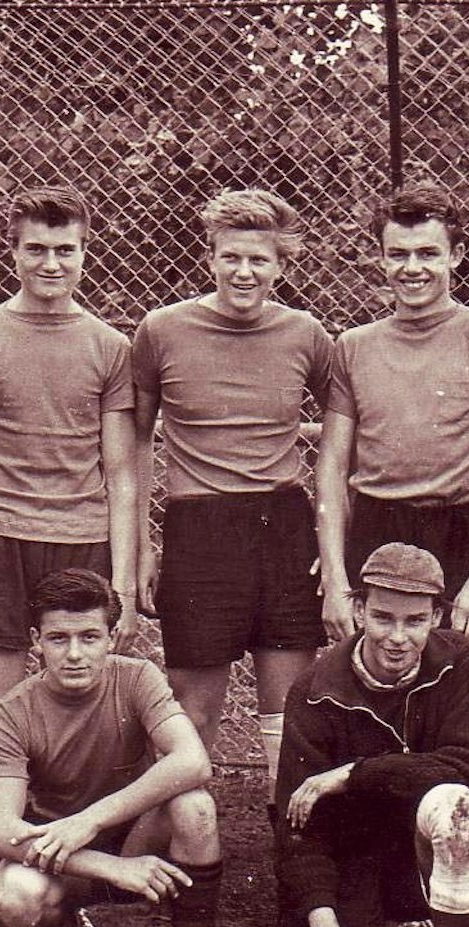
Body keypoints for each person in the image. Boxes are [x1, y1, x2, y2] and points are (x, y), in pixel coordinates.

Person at [313, 182, 469, 927]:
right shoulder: (353, 345)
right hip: (377, 528)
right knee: (372, 733)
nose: (412, 268)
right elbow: (331, 465)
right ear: (379, 259)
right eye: (398, 254)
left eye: (427, 254)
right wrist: (335, 574)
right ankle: (388, 910)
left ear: (455, 256)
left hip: (459, 530)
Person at [0, 186, 139, 927]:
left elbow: (123, 470)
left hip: (79, 541)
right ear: (13, 252)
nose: (50, 263)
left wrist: (121, 575)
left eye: (65, 249)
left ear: (85, 252)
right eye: (35, 249)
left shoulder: (108, 346)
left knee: (77, 735)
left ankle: (67, 898)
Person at [132, 188, 335, 819]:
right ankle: (176, 876)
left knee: (289, 718)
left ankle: (298, 878)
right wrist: (142, 543)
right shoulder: (161, 331)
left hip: (283, 528)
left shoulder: (306, 334)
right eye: (230, 257)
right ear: (212, 258)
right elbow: (134, 443)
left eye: (259, 260)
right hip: (199, 532)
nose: (243, 272)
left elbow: (345, 432)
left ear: (281, 265)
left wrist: (332, 550)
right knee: (192, 714)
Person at [0, 568, 225, 927]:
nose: (74, 653)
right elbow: (0, 831)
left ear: (112, 638)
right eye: (59, 638)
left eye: (90, 637)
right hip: (66, 856)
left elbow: (194, 761)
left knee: (194, 806)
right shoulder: (12, 711)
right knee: (18, 898)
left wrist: (90, 822)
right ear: (36, 642)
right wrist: (108, 866)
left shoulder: (138, 678)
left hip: (134, 839)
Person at [276, 542, 469, 927]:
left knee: (457, 805)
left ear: (437, 616)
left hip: (419, 840)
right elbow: (299, 823)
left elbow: (468, 770)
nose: (398, 637)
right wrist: (322, 917)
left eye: (415, 621)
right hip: (350, 850)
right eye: (383, 617)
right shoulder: (314, 689)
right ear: (357, 610)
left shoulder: (458, 662)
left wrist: (354, 773)